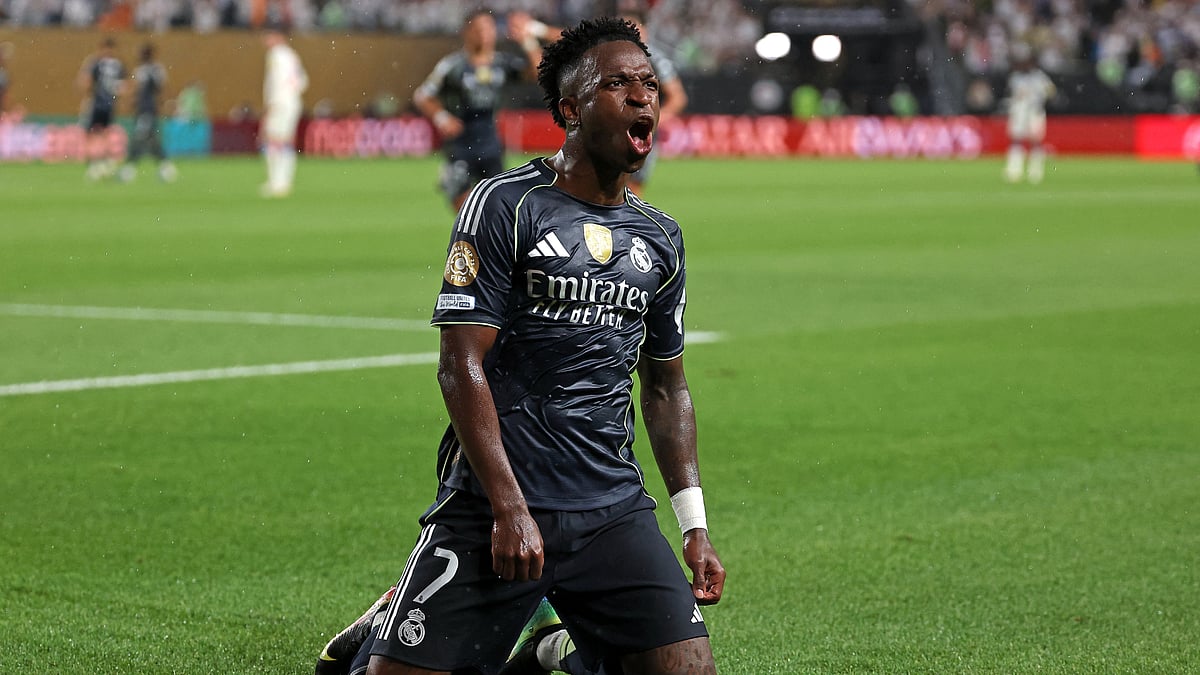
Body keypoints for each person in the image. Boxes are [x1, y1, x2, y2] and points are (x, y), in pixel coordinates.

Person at [317, 16, 725, 675]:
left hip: (611, 509)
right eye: (617, 84)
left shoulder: (660, 237)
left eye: (649, 84)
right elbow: (460, 364)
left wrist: (694, 525)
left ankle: (547, 651)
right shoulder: (504, 204)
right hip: (494, 501)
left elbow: (666, 387)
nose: (641, 96)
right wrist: (510, 508)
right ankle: (385, 627)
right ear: (570, 109)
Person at [511, 9, 687, 196]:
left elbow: (677, 97)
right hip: (605, 127)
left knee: (629, 189)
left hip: (638, 132)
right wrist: (535, 29)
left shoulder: (654, 59)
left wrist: (649, 119)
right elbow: (577, 42)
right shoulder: (605, 54)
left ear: (646, 32)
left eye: (634, 29)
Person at [413, 9, 543, 211]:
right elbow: (422, 96)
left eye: (489, 28)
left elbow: (538, 72)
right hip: (460, 144)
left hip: (490, 144)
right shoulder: (452, 66)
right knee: (464, 206)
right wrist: (442, 117)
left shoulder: (501, 63)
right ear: (466, 32)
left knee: (496, 206)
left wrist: (528, 41)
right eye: (479, 29)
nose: (485, 34)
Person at [260, 27, 308, 198]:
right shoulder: (292, 55)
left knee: (272, 140)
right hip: (293, 102)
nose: (265, 40)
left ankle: (277, 182)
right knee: (285, 141)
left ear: (278, 36)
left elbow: (276, 81)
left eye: (268, 36)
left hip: (280, 102)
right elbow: (303, 81)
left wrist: (273, 103)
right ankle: (283, 181)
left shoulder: (276, 54)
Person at [119, 43, 177, 183]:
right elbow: (163, 89)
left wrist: (128, 101)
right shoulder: (158, 70)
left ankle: (129, 168)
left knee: (140, 137)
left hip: (145, 110)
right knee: (150, 139)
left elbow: (136, 89)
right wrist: (166, 103)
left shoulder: (142, 71)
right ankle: (165, 166)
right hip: (149, 109)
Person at [77, 37, 127, 181]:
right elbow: (125, 86)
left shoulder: (96, 62)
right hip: (109, 105)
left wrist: (86, 96)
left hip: (98, 104)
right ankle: (103, 162)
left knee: (92, 133)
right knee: (103, 133)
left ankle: (95, 162)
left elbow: (85, 82)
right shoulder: (118, 65)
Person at [1003, 51, 1056, 184]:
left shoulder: (1039, 77)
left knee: (1036, 141)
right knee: (1016, 140)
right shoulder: (1016, 77)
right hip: (1020, 111)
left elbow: (1051, 91)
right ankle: (1014, 170)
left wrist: (1041, 96)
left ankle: (1035, 171)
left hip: (1034, 111)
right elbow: (1011, 92)